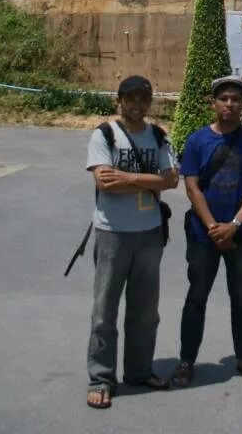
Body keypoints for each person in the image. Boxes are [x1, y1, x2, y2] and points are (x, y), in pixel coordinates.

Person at [85, 75, 178, 410]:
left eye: (143, 99)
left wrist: (127, 178)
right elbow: (105, 183)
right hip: (112, 232)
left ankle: (139, 371)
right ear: (119, 100)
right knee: (104, 310)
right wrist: (146, 181)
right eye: (131, 98)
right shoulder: (104, 135)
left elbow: (171, 181)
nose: (137, 104)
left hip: (150, 232)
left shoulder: (157, 136)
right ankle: (101, 378)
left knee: (144, 311)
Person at [172, 76, 242, 386]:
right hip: (205, 234)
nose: (229, 103)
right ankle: (186, 361)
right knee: (196, 296)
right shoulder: (198, 140)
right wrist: (214, 227)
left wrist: (235, 224)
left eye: (235, 99)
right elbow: (191, 186)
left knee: (241, 297)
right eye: (224, 98)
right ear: (213, 103)